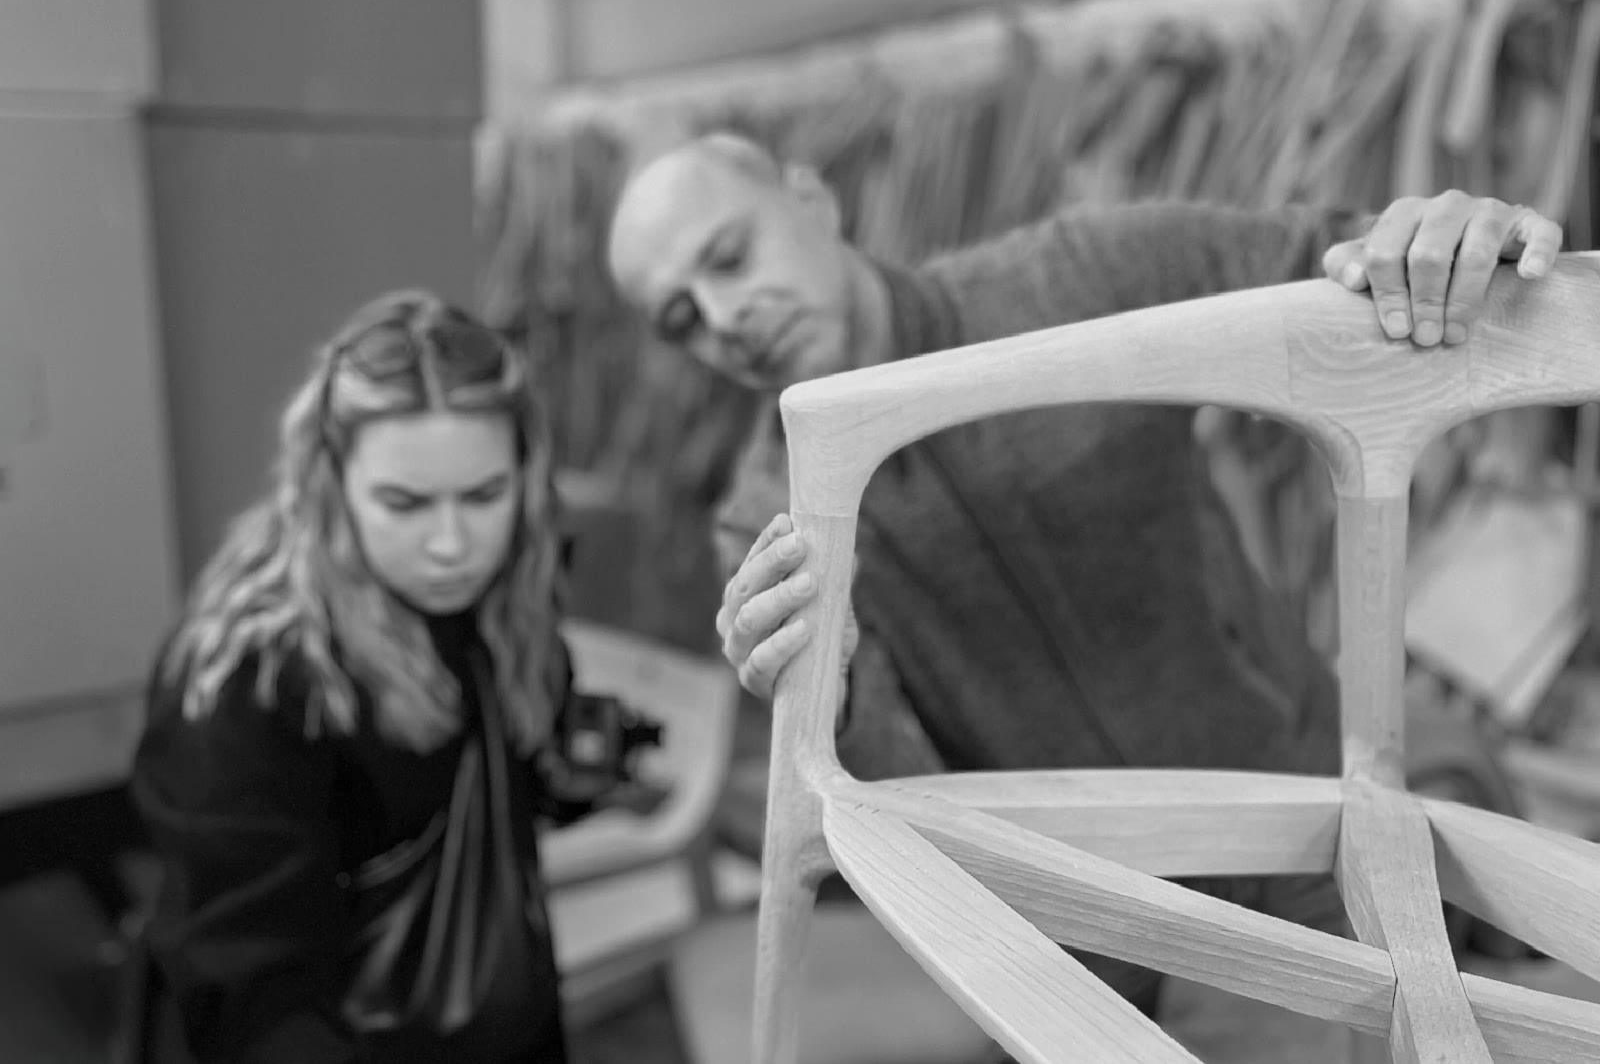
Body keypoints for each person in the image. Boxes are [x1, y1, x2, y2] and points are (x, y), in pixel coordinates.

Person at [605, 131, 1564, 1015]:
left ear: (812, 200)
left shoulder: (1076, 279)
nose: (726, 319)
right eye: (683, 319)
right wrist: (834, 694)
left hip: (1313, 835)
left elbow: (1329, 265)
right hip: (1084, 944)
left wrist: (1432, 247)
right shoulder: (771, 517)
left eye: (730, 256)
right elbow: (902, 816)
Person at [131, 291, 626, 1063]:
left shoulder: (506, 604)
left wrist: (572, 765)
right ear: (330, 483)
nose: (451, 545)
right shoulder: (248, 672)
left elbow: (519, 794)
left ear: (527, 478)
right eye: (404, 503)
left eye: (485, 495)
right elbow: (252, 988)